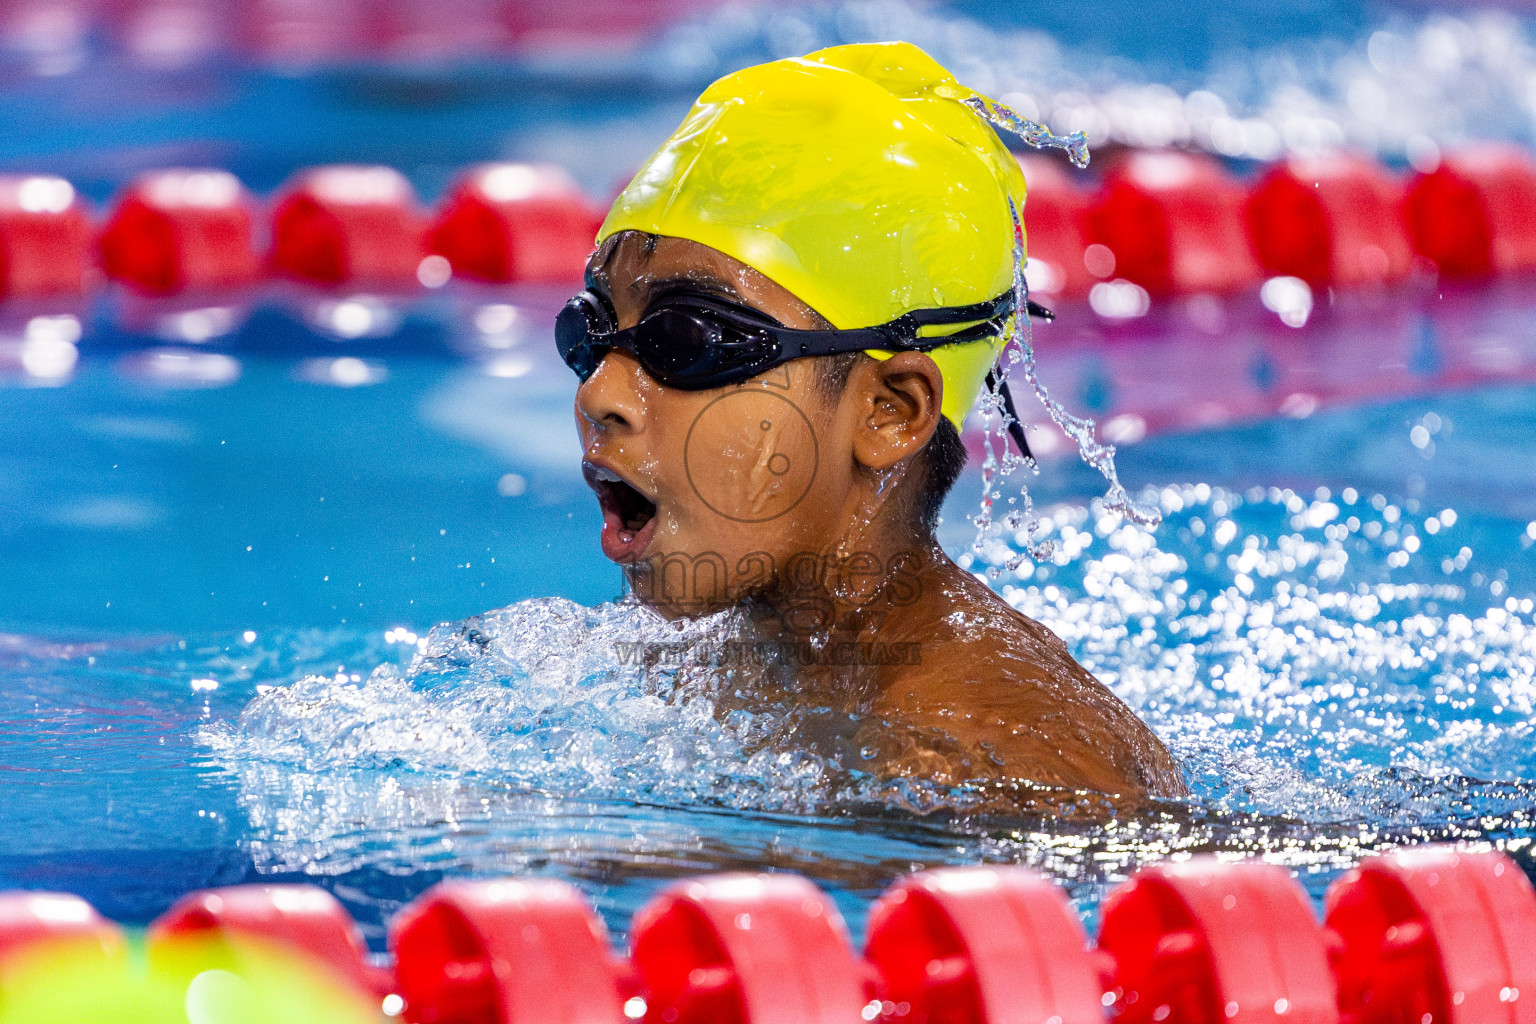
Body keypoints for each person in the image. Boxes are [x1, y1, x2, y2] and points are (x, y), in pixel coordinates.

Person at [556, 41, 1185, 801]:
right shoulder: (704, 661)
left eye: (687, 340)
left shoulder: (989, 767)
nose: (600, 392)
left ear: (890, 413)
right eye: (590, 332)